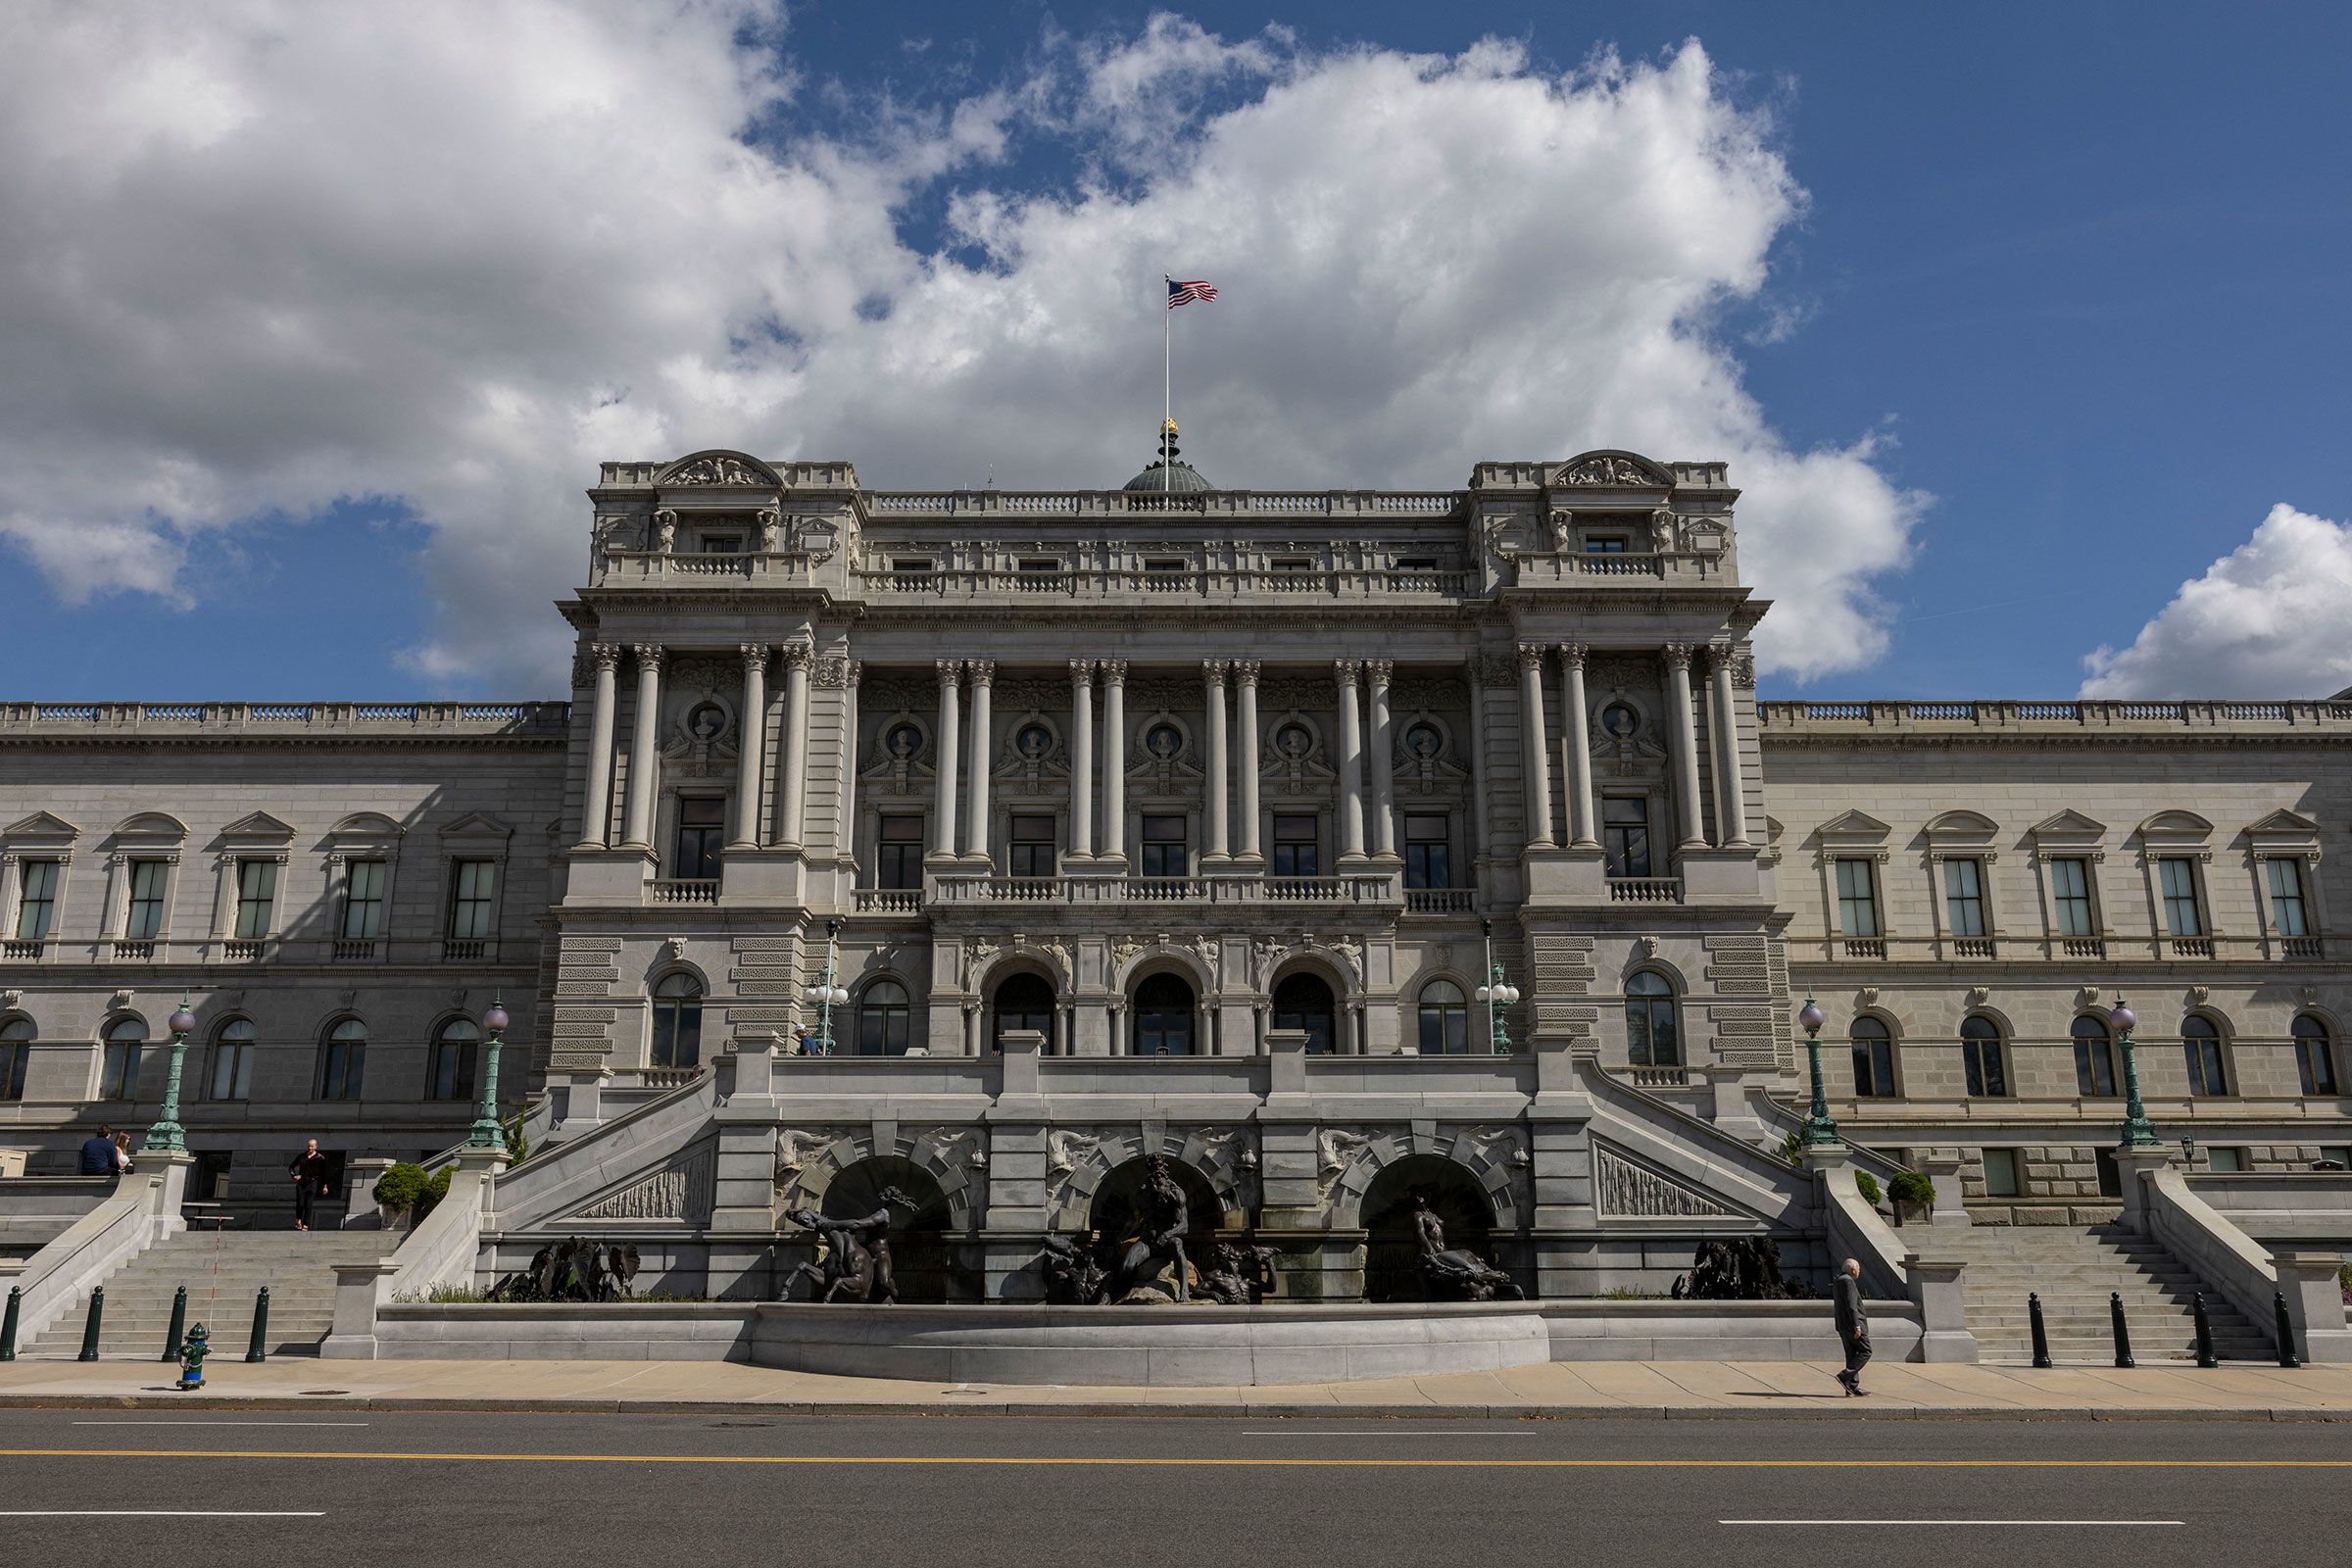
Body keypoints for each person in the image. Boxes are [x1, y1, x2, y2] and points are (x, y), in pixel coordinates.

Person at [1833, 1256, 1872, 1396]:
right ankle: (1845, 1376)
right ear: (1853, 1270)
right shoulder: (1848, 1282)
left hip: (1843, 1325)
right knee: (1866, 1351)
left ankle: (1851, 1387)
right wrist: (1857, 1325)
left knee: (1852, 1353)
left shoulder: (1839, 1280)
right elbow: (1851, 1305)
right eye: (1859, 1269)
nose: (1859, 1271)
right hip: (1852, 1324)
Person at [288, 1138, 329, 1232]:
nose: (310, 1148)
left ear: (316, 1147)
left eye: (312, 1146)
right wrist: (294, 1176)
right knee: (300, 1203)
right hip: (301, 1183)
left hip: (312, 1183)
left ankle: (306, 1224)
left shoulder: (320, 1158)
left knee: (308, 1204)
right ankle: (298, 1219)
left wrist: (325, 1186)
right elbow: (291, 1167)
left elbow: (324, 1173)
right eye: (309, 1146)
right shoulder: (302, 1156)